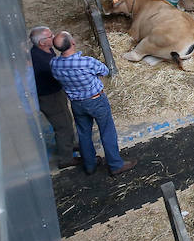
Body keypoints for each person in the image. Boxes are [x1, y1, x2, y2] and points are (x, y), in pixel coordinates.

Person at [48, 31, 135, 176]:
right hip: (96, 100)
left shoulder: (54, 64)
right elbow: (105, 71)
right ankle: (115, 165)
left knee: (83, 134)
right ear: (73, 43)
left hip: (76, 103)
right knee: (107, 132)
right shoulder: (86, 62)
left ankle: (90, 165)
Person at [29, 26, 79, 168]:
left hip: (56, 93)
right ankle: (66, 159)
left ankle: (69, 145)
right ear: (42, 42)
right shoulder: (41, 61)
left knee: (67, 120)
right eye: (50, 36)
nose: (53, 36)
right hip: (49, 97)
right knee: (63, 127)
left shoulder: (47, 50)